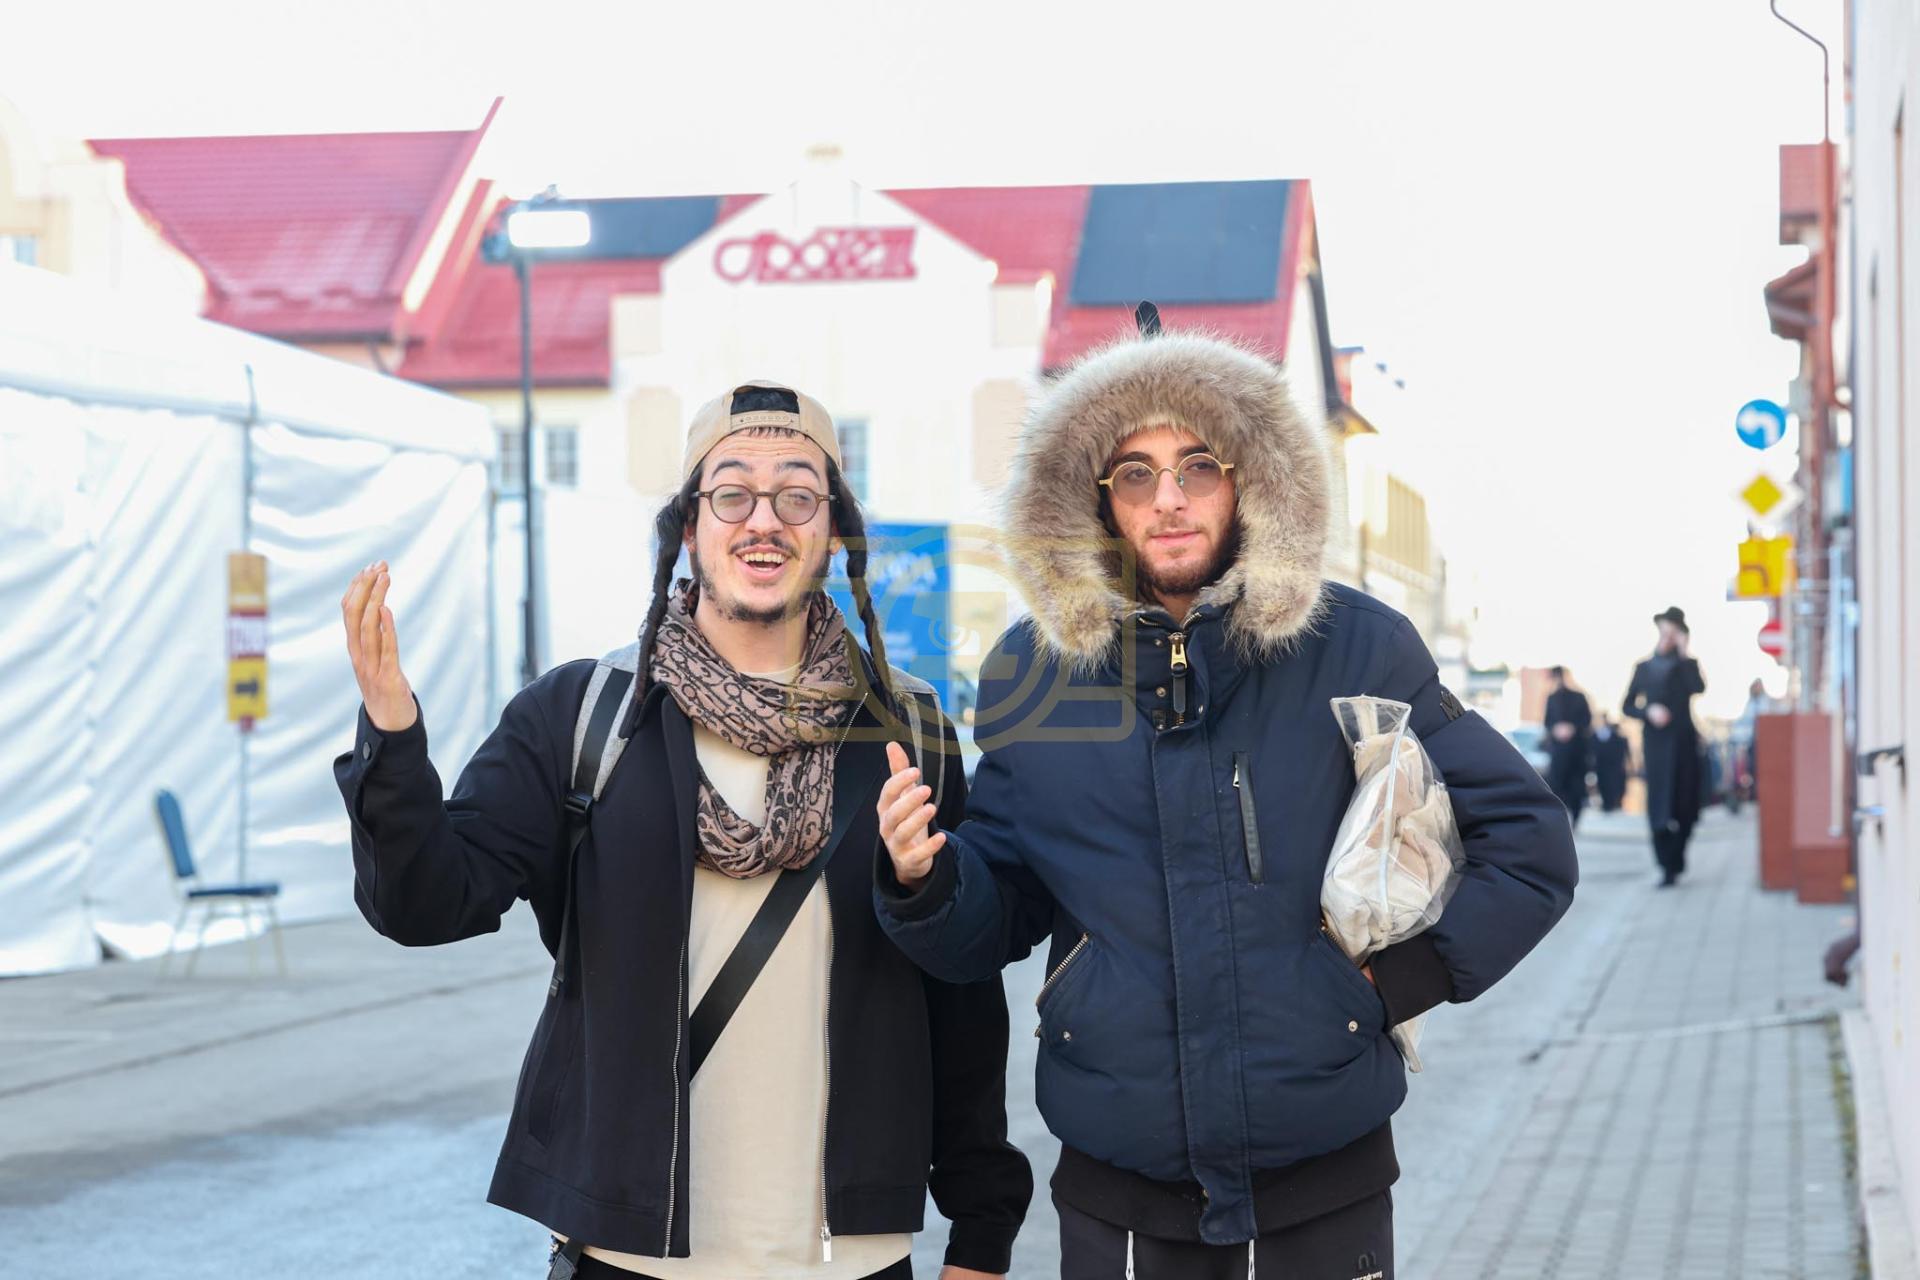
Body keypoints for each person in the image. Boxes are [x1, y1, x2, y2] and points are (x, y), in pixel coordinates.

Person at [870, 319, 1578, 1279]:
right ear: (1092, 497)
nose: (1169, 498)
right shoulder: (1034, 675)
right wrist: (927, 880)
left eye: (1198, 465)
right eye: (1135, 472)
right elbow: (1004, 907)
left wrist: (1391, 985)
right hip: (1120, 1186)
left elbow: (1530, 846)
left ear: (1254, 480)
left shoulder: (1357, 645)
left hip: (1324, 1179)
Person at [335, 381, 1030, 1279]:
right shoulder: (582, 717)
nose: (764, 521)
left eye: (798, 496)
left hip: (850, 1256)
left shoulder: (909, 731)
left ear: (834, 532)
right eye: (732, 493)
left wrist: (982, 1231)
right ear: (690, 527)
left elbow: (962, 1000)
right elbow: (426, 903)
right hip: (630, 1253)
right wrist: (393, 737)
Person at [1622, 606, 1707, 887]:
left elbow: (1698, 688)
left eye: (1675, 630)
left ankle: (1677, 859)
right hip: (1657, 747)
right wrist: (1649, 711)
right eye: (1666, 628)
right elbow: (1627, 706)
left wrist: (1684, 653)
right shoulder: (1644, 668)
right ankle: (1666, 865)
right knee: (1658, 806)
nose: (1669, 635)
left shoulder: (1686, 665)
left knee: (1686, 805)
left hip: (1684, 745)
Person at [1542, 666, 1593, 826]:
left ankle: (1575, 818)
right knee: (1557, 785)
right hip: (1558, 751)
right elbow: (1547, 722)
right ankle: (1559, 820)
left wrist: (1572, 728)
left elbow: (1586, 720)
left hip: (1576, 750)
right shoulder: (1552, 698)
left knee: (1576, 786)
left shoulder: (1579, 697)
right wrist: (1556, 729)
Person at [1591, 717, 1630, 813]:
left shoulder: (1620, 739)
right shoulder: (1595, 737)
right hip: (1603, 768)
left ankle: (1614, 803)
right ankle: (1608, 804)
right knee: (1605, 785)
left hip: (1615, 768)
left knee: (1615, 786)